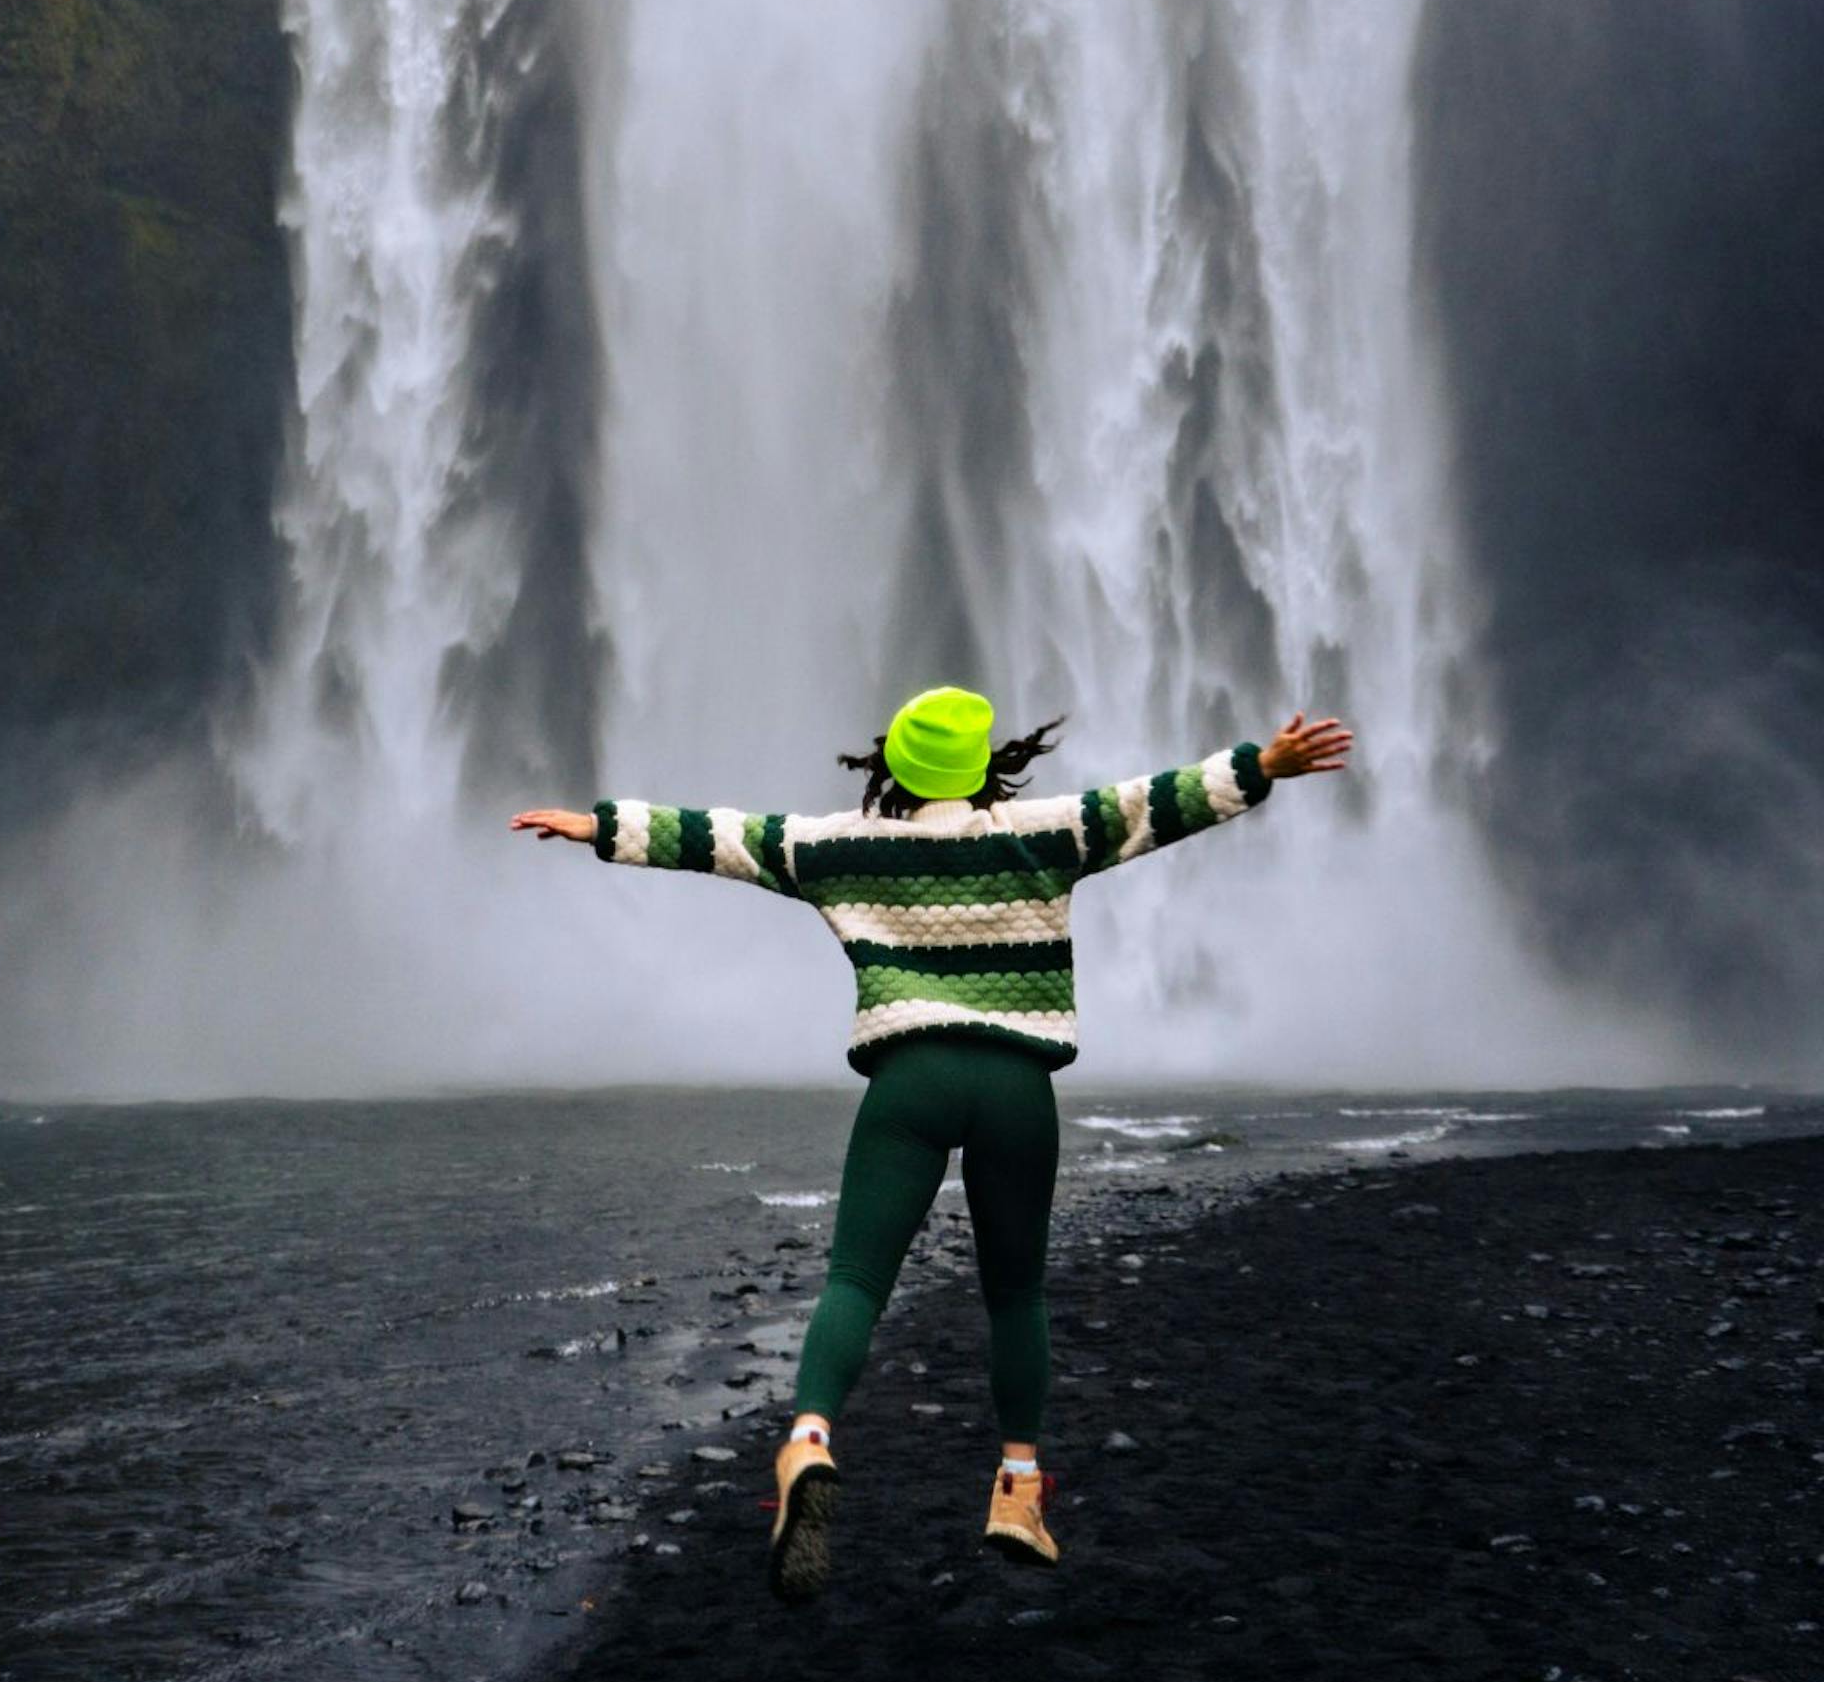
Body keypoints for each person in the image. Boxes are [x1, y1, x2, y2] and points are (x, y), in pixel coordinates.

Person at [513, 688, 1351, 1605]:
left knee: (856, 1279)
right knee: (1015, 1290)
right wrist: (1261, 766)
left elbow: (722, 836)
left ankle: (811, 1439)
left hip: (909, 1084)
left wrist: (595, 825)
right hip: (1016, 1091)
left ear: (896, 769)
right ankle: (1019, 1489)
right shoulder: (1048, 829)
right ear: (985, 764)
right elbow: (1158, 802)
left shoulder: (842, 846)